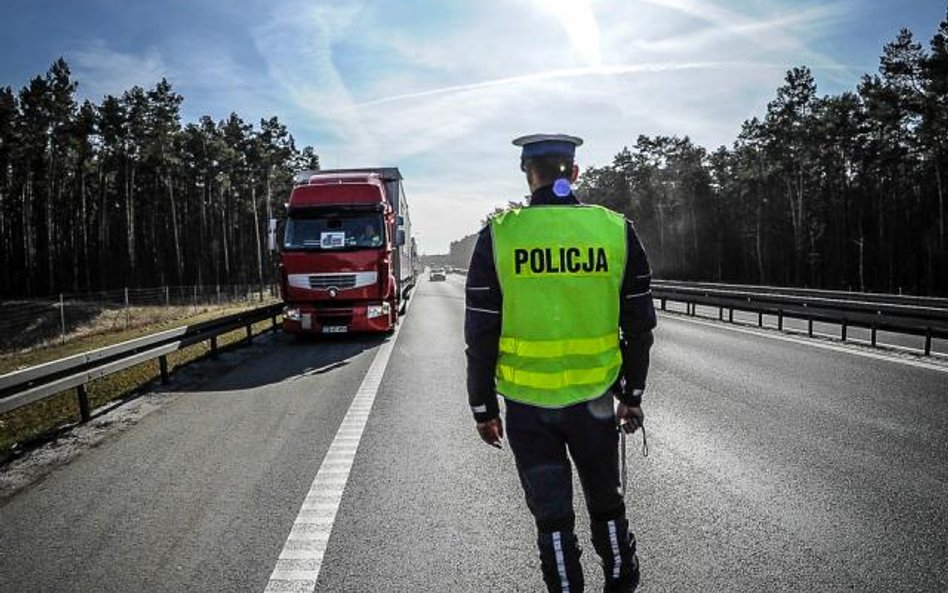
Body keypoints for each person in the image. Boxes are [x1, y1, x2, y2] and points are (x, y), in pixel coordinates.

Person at [464, 133, 656, 592]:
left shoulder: (500, 234)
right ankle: (619, 579)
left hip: (529, 408)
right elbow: (640, 325)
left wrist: (483, 408)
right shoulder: (614, 230)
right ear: (575, 172)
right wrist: (631, 395)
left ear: (528, 175)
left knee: (552, 517)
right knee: (606, 503)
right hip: (594, 402)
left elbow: (480, 332)